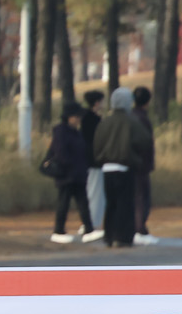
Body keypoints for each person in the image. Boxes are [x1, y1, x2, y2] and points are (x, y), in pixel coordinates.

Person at [92, 86, 151, 248]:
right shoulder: (131, 122)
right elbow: (145, 141)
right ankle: (123, 237)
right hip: (125, 168)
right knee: (125, 204)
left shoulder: (105, 123)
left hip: (106, 168)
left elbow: (96, 145)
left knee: (111, 204)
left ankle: (109, 236)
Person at [45, 103, 92, 243]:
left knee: (83, 202)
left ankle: (89, 229)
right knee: (63, 202)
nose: (79, 119)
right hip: (67, 175)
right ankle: (58, 230)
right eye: (77, 116)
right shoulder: (61, 132)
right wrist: (70, 166)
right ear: (69, 117)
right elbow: (60, 153)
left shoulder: (76, 132)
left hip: (78, 174)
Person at [130, 86, 158, 244]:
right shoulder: (142, 119)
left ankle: (138, 227)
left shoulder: (131, 116)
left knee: (137, 197)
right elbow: (146, 144)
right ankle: (139, 228)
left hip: (133, 163)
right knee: (141, 198)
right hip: (141, 165)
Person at [79, 89, 105, 236]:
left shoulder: (83, 117)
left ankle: (90, 222)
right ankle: (93, 223)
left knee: (90, 191)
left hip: (86, 160)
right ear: (96, 102)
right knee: (95, 192)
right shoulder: (94, 120)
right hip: (94, 160)